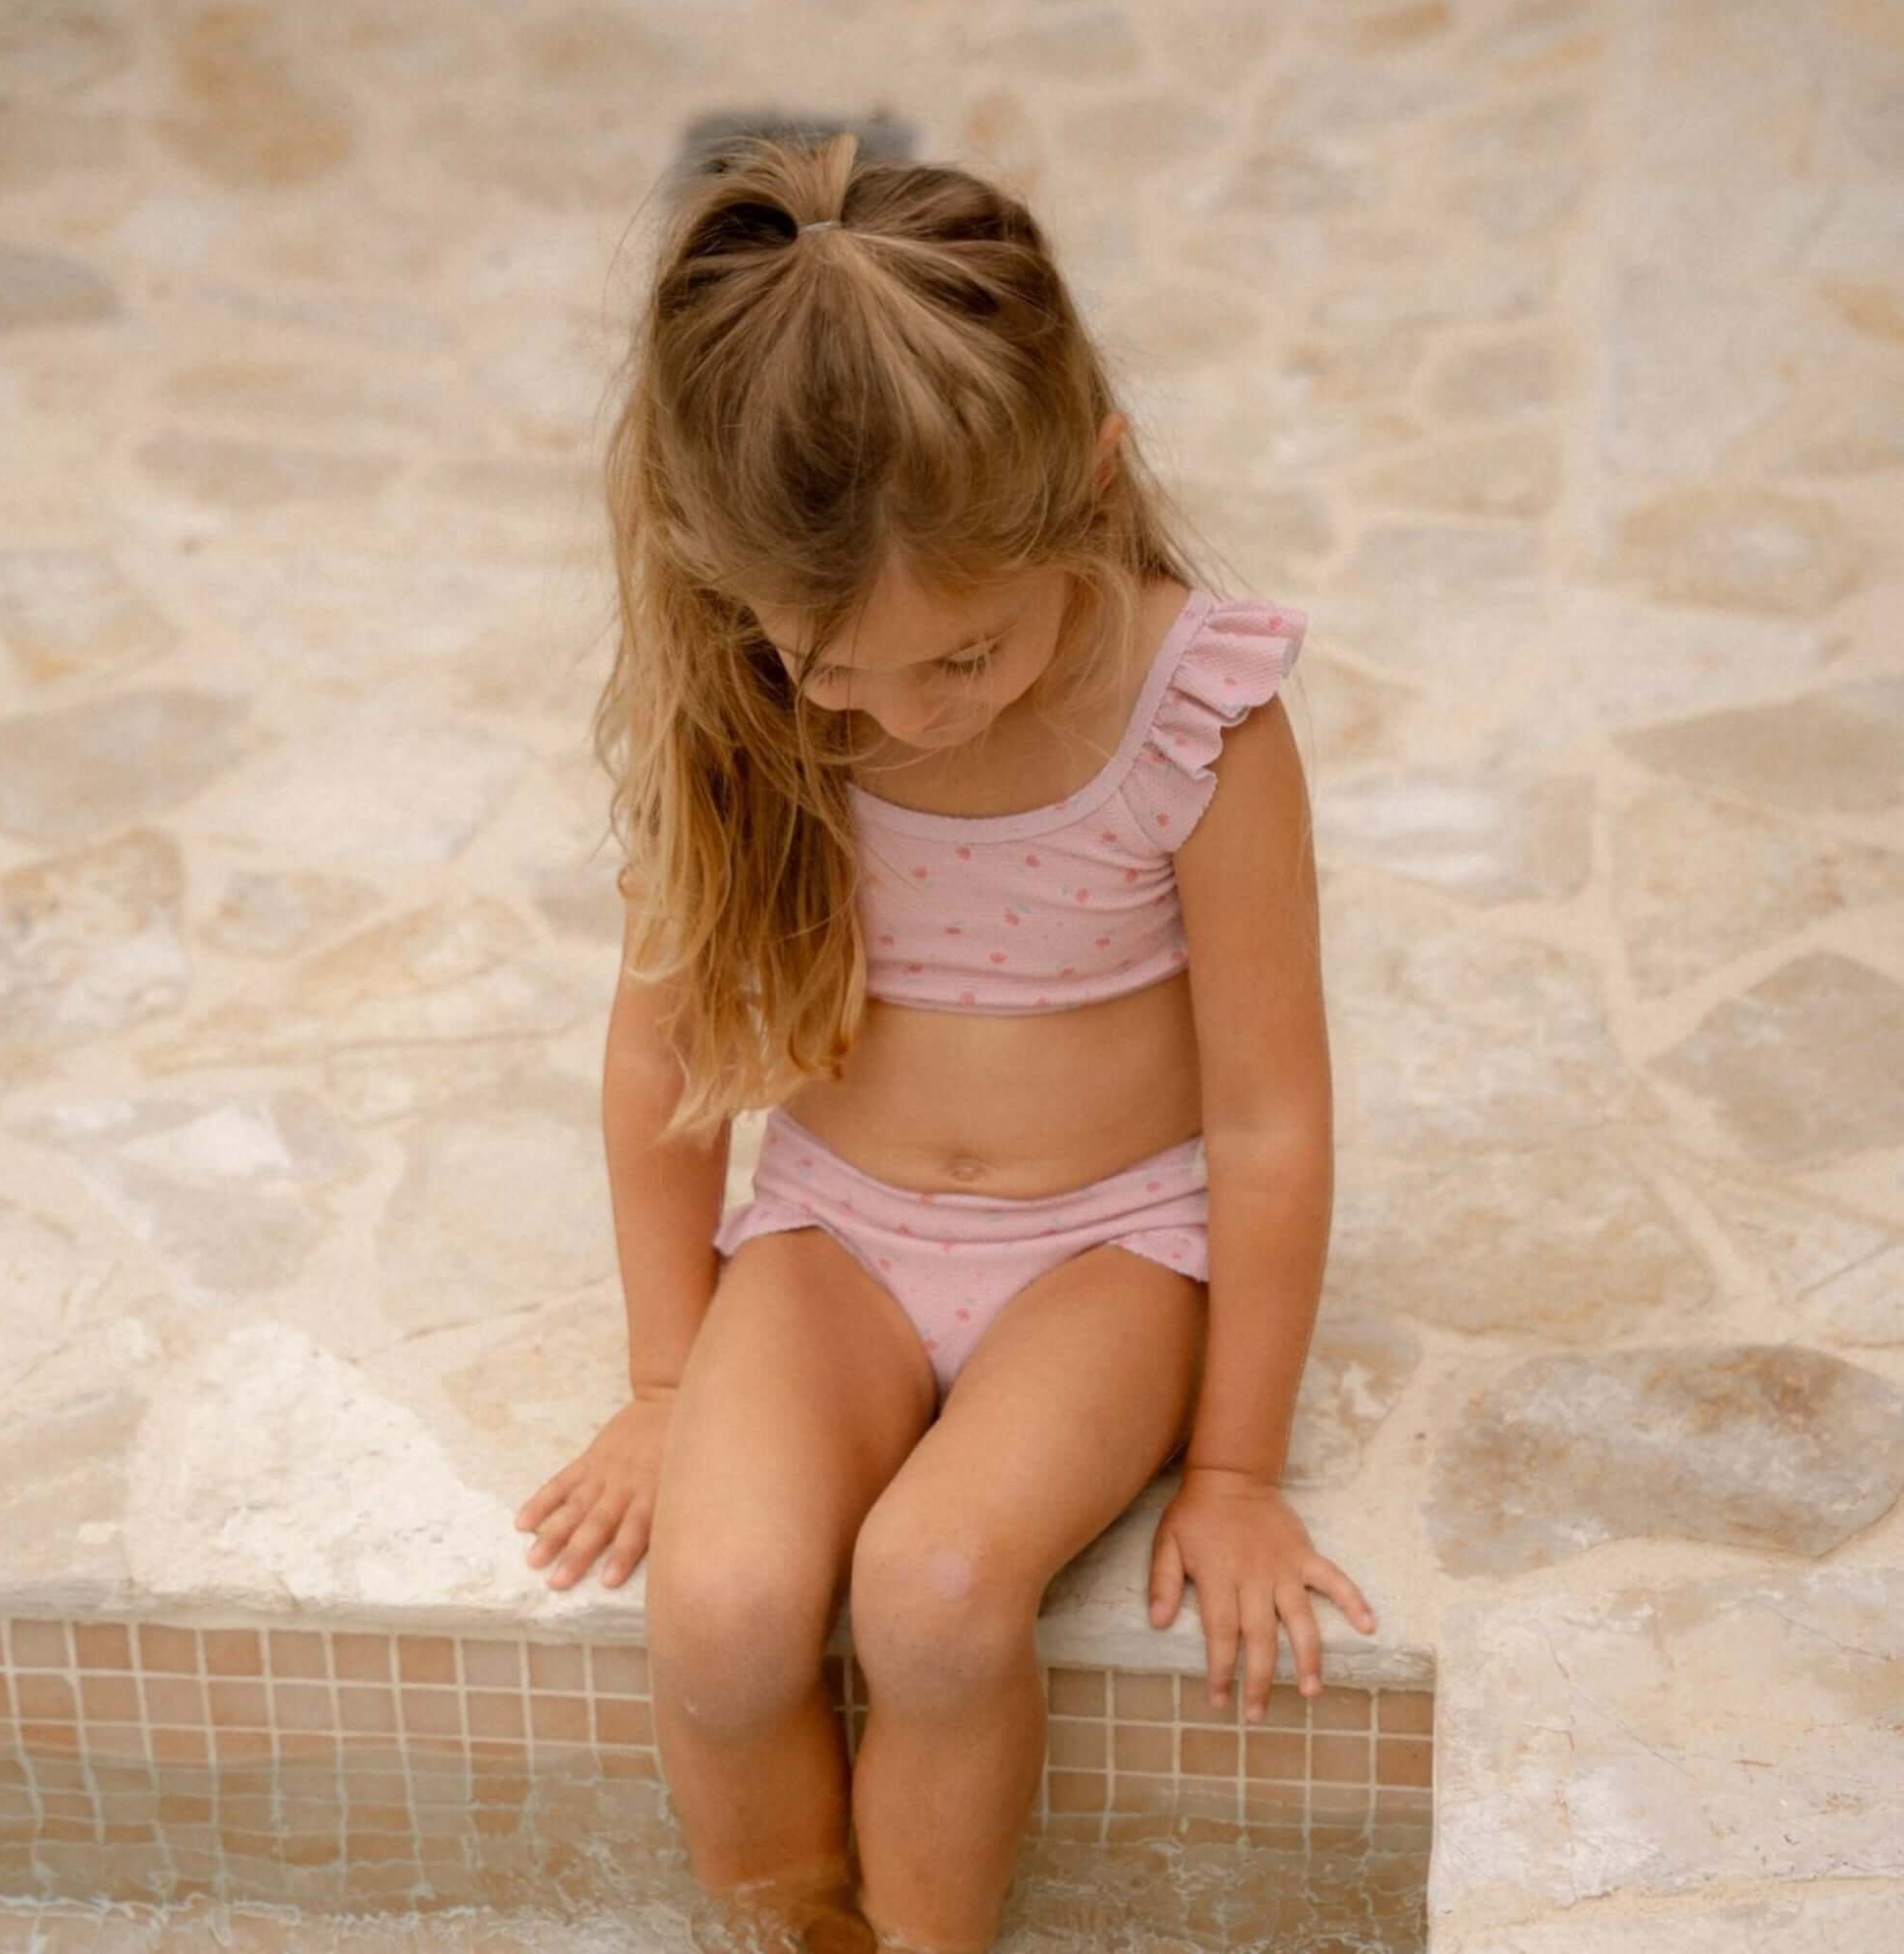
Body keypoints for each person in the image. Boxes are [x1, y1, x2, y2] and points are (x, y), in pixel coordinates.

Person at [511, 129, 1377, 1954]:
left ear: (1087, 483)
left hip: (1109, 1249)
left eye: (964, 658)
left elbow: (1268, 1118)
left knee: (938, 1590)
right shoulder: (746, 705)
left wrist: (1235, 1472)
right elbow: (664, 1063)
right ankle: (796, 1935)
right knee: (721, 1621)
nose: (904, 715)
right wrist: (667, 1383)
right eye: (838, 670)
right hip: (836, 1229)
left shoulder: (1194, 714)